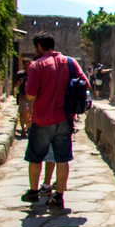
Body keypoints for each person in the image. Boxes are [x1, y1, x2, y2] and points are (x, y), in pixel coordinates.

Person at [20, 31, 89, 213]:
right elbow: (85, 84)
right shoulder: (70, 62)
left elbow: (30, 94)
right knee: (62, 158)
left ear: (39, 47)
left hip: (42, 119)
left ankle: (34, 192)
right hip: (64, 118)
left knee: (35, 157)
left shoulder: (37, 66)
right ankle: (58, 197)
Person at [14, 59, 32, 137]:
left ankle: (29, 127)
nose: (27, 66)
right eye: (25, 65)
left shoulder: (33, 74)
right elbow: (15, 85)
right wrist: (19, 82)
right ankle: (23, 130)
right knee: (22, 112)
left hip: (31, 95)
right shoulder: (20, 74)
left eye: (28, 65)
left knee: (31, 112)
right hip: (22, 94)